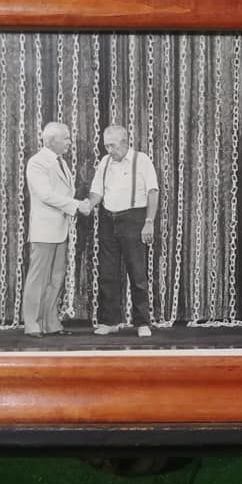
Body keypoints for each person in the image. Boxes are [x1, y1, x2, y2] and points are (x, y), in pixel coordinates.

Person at [87, 125, 159, 337]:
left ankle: (142, 322)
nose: (109, 150)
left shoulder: (142, 160)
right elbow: (96, 191)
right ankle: (110, 321)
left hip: (134, 218)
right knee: (108, 273)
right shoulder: (105, 162)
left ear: (125, 141)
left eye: (113, 145)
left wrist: (149, 222)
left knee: (137, 273)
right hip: (109, 219)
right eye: (106, 146)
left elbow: (152, 191)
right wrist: (87, 205)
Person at [23, 122, 91, 338]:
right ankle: (32, 324)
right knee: (38, 278)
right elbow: (45, 195)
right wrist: (77, 206)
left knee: (56, 278)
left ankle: (50, 322)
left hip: (60, 229)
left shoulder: (60, 162)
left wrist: (77, 204)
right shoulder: (37, 162)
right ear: (52, 140)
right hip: (44, 230)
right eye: (67, 138)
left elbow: (64, 192)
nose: (70, 142)